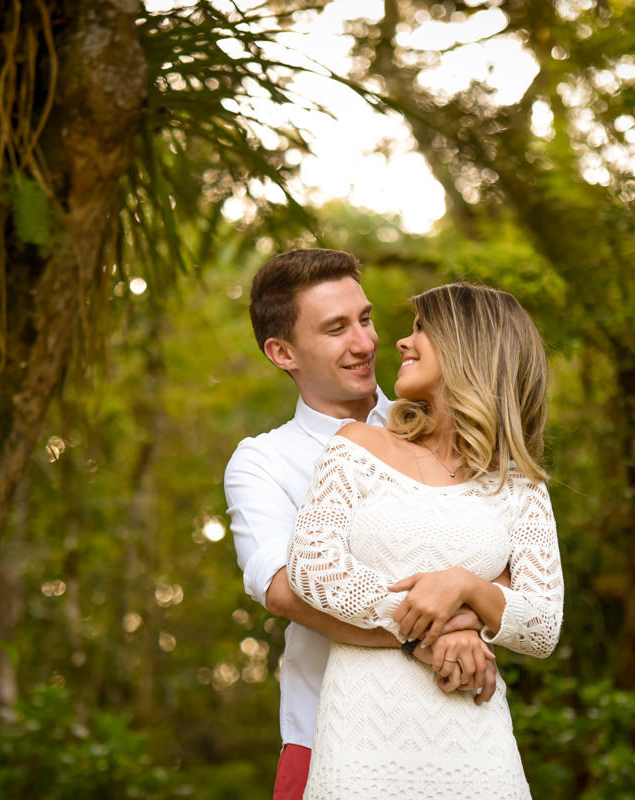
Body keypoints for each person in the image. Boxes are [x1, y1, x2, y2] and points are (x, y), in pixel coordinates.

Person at [225, 250, 500, 800]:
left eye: (366, 318)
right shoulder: (263, 461)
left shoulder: (439, 429)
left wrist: (470, 599)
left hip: (461, 726)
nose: (366, 343)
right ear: (282, 352)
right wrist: (432, 632)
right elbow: (283, 591)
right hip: (325, 734)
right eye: (335, 329)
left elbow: (514, 568)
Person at [286, 282, 564, 799]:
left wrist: (463, 586)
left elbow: (543, 625)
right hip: (362, 736)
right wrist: (435, 628)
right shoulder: (356, 447)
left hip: (475, 740)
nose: (401, 342)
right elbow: (312, 568)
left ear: (468, 347)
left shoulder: (520, 486)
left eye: (421, 329)